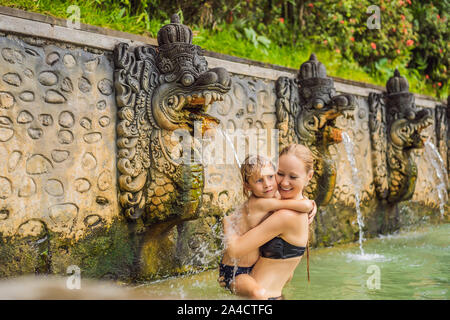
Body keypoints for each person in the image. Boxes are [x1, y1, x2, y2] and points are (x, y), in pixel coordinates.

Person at [224, 144, 316, 300]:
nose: (284, 183)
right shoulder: (284, 202)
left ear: (309, 176)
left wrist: (226, 222)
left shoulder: (285, 216)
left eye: (293, 177)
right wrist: (310, 204)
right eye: (280, 174)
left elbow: (235, 249)